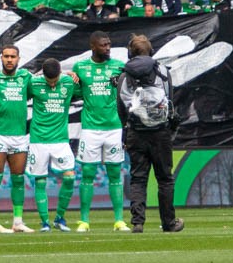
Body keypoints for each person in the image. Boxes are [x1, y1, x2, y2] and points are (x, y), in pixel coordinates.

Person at [117, 35, 184, 233]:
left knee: (138, 178)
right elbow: (170, 99)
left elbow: (121, 106)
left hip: (136, 131)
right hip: (160, 131)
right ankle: (169, 223)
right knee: (164, 178)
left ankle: (137, 222)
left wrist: (126, 128)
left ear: (131, 53)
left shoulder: (124, 75)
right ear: (151, 51)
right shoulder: (162, 71)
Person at [68, 33, 130, 233]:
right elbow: (75, 94)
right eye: (104, 45)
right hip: (90, 129)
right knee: (87, 174)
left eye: (109, 44)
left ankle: (119, 220)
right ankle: (84, 220)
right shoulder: (81, 67)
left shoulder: (119, 66)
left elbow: (129, 91)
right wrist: (69, 80)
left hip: (113, 128)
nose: (108, 48)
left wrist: (120, 81)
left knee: (115, 174)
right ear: (93, 46)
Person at [0, 45, 32, 232]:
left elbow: (44, 86)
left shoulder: (26, 77)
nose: (9, 59)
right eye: (6, 56)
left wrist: (67, 74)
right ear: (1, 58)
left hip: (19, 135)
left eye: (13, 56)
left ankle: (18, 221)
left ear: (18, 59)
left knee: (18, 179)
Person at [26, 58, 79, 231]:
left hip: (60, 139)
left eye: (55, 80)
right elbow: (16, 97)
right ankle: (45, 222)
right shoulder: (33, 83)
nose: (53, 84)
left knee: (70, 176)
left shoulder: (69, 81)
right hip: (38, 139)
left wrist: (75, 75)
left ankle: (60, 218)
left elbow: (88, 87)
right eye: (50, 81)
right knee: (40, 181)